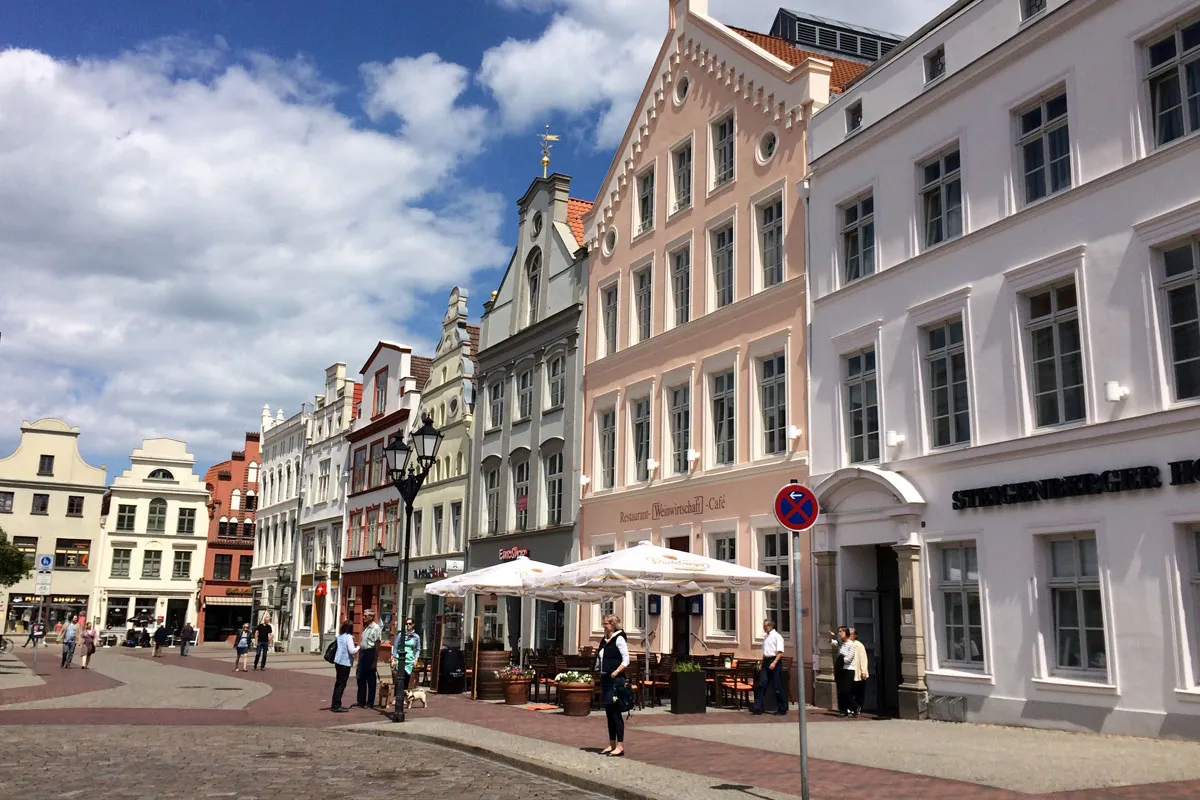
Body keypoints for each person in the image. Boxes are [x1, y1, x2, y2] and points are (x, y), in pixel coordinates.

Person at [595, 614, 629, 757]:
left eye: (606, 624)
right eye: (603, 623)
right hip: (605, 678)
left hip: (615, 680)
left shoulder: (619, 638)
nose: (604, 626)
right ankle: (612, 743)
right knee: (609, 713)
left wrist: (616, 672)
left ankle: (620, 745)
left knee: (616, 713)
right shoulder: (605, 639)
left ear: (613, 625)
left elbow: (626, 660)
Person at [751, 618, 787, 716]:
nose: (763, 628)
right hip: (767, 661)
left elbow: (780, 652)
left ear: (770, 626)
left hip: (774, 660)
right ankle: (758, 707)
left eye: (765, 626)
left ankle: (782, 708)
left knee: (777, 686)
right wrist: (762, 663)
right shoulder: (766, 638)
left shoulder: (777, 637)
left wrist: (774, 663)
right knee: (762, 684)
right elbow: (765, 652)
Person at [354, 610, 381, 708]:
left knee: (371, 679)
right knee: (360, 677)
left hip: (370, 653)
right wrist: (358, 659)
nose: (363, 618)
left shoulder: (376, 628)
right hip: (363, 654)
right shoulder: (365, 628)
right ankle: (361, 701)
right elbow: (362, 643)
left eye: (365, 616)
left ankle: (370, 702)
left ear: (371, 617)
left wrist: (375, 661)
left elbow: (377, 644)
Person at [331, 619, 359, 713]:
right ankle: (337, 705)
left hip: (338, 661)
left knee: (338, 683)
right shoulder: (349, 637)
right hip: (345, 662)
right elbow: (352, 651)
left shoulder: (340, 636)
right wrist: (359, 647)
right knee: (341, 684)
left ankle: (334, 703)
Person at [831, 626, 855, 717]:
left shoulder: (851, 644)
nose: (839, 633)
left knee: (846, 691)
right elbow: (832, 643)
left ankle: (854, 707)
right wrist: (831, 637)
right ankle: (843, 710)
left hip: (848, 670)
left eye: (841, 631)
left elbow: (849, 659)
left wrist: (841, 658)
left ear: (846, 633)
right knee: (840, 691)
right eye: (839, 631)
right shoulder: (842, 643)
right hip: (841, 669)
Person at [849, 628, 870, 717]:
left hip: (858, 673)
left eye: (851, 634)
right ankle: (853, 708)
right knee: (849, 691)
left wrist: (864, 672)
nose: (849, 636)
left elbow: (863, 659)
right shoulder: (847, 644)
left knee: (859, 692)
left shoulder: (859, 645)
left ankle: (858, 708)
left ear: (855, 635)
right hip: (850, 673)